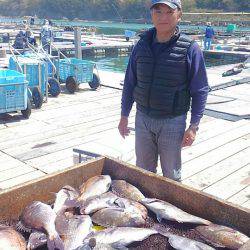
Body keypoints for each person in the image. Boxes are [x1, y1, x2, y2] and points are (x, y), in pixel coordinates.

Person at [118, 0, 209, 181]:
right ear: (151, 15)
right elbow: (130, 82)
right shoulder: (141, 45)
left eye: (169, 12)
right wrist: (124, 115)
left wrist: (193, 126)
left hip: (172, 121)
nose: (163, 17)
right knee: (143, 172)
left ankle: (169, 207)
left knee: (171, 176)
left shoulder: (190, 48)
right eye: (158, 11)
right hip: (142, 118)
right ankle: (145, 207)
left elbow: (200, 90)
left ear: (179, 15)